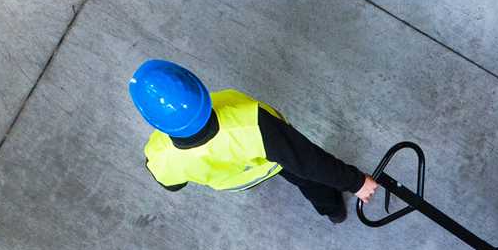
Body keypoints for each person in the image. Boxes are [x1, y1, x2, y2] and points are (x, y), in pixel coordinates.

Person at [128, 59, 379, 224]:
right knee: (307, 179)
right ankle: (333, 209)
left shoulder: (159, 155)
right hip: (271, 162)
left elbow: (173, 185)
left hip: (238, 180)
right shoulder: (252, 125)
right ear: (199, 90)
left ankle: (333, 212)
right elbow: (308, 161)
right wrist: (356, 182)